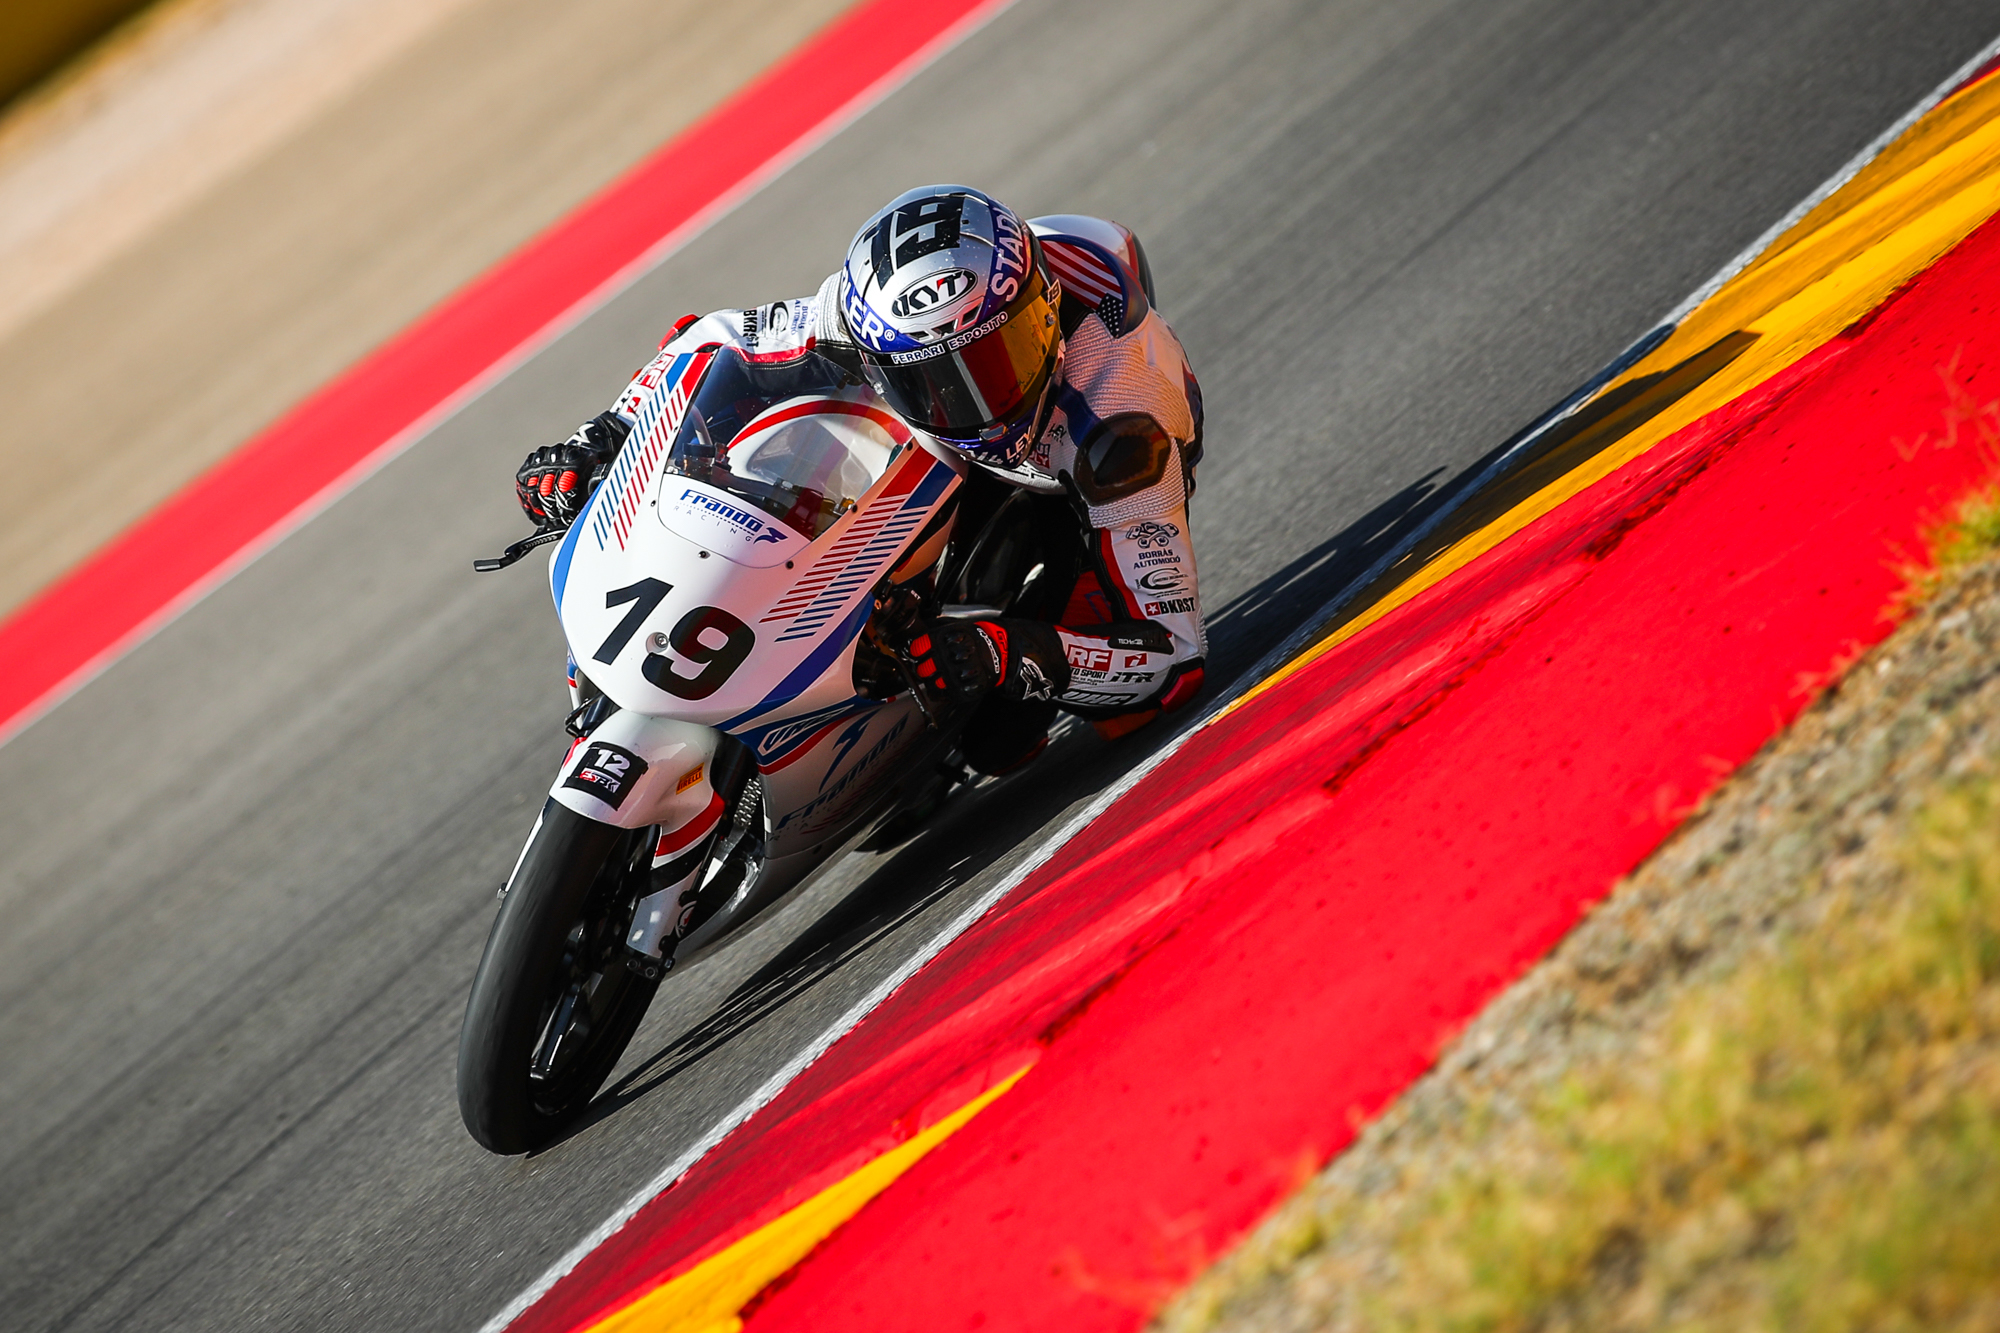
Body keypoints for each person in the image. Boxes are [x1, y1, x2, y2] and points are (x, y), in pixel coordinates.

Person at [515, 185, 1207, 775]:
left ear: (1045, 311)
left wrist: (1004, 652)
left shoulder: (1121, 426)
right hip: (931, 436)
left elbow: (1175, 661)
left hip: (1065, 479)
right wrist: (600, 436)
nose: (974, 403)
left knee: (1003, 736)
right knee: (786, 439)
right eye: (937, 381)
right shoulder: (858, 316)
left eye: (999, 360)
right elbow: (712, 341)